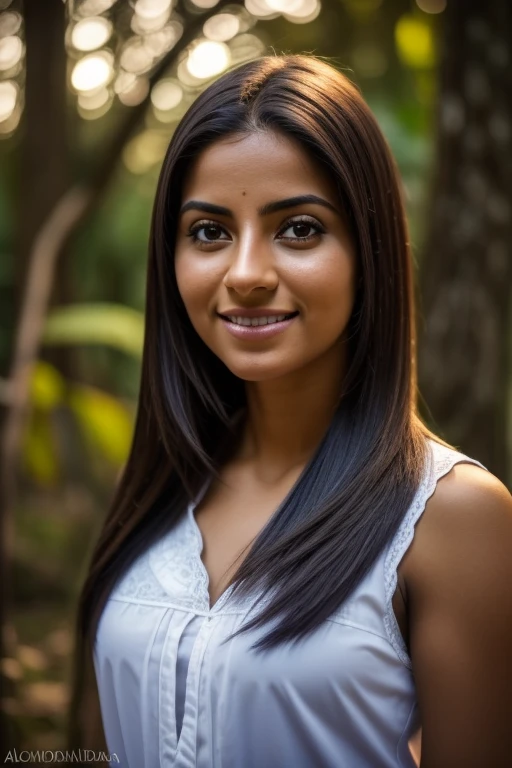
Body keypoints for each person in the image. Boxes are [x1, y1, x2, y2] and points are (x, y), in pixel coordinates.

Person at [70, 54, 512, 768]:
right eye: (209, 232)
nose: (245, 275)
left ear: (368, 250)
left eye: (299, 229)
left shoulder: (451, 518)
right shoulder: (163, 486)